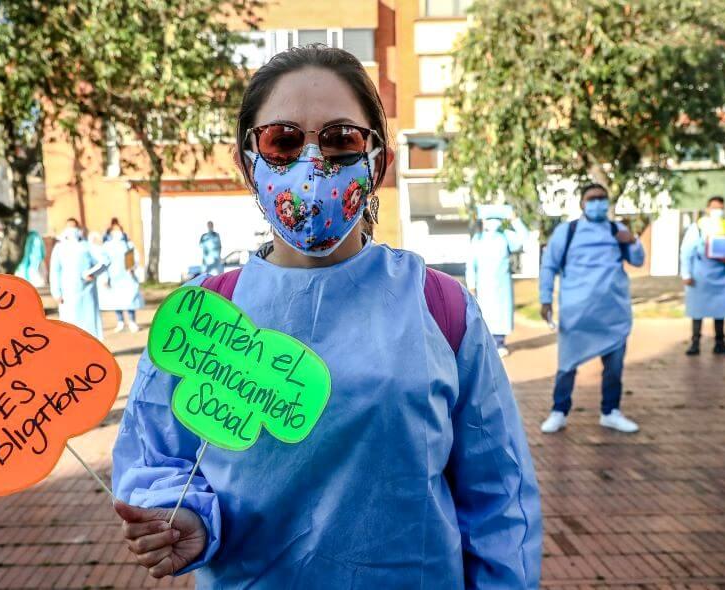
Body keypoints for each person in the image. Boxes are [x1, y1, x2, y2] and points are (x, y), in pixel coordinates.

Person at [112, 46, 541, 587]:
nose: (312, 164)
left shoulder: (440, 306)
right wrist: (189, 518)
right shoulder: (204, 316)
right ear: (249, 161)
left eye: (341, 140)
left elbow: (498, 494)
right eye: (283, 141)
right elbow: (155, 457)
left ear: (377, 160)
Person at [538, 184, 645, 434]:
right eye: (592, 198)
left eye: (602, 198)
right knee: (567, 365)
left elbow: (638, 260)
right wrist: (545, 299)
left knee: (614, 368)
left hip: (612, 313)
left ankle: (611, 412)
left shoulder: (617, 230)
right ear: (582, 204)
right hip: (577, 313)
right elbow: (549, 266)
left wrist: (633, 241)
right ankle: (559, 411)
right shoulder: (568, 231)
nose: (597, 203)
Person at [680, 196, 725, 356]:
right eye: (714, 208)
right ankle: (695, 343)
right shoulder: (697, 227)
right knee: (697, 311)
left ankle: (720, 343)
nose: (717, 211)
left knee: (720, 311)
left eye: (720, 208)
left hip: (721, 275)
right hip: (700, 276)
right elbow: (686, 252)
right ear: (707, 209)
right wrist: (686, 273)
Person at [465, 206, 529, 357]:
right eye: (489, 220)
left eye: (496, 219)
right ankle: (487, 343)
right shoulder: (478, 239)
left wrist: (515, 219)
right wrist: (471, 284)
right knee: (485, 314)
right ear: (483, 222)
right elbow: (470, 264)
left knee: (502, 313)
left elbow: (524, 237)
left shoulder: (506, 236)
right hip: (484, 284)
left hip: (502, 284)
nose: (493, 223)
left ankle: (500, 343)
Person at [49, 218, 105, 340]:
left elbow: (103, 262)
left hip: (87, 291)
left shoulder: (86, 246)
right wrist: (56, 292)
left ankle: (93, 348)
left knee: (89, 322)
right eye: (69, 227)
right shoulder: (59, 247)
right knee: (70, 323)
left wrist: (93, 274)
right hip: (67, 291)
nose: (72, 230)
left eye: (74, 227)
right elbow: (55, 270)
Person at [98, 219, 143, 332]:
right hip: (113, 277)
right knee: (116, 300)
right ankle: (120, 322)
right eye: (114, 229)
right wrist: (104, 277)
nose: (116, 232)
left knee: (130, 298)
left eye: (118, 229)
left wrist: (133, 267)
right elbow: (103, 262)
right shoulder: (106, 246)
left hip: (127, 277)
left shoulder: (128, 244)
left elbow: (134, 258)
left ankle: (132, 321)